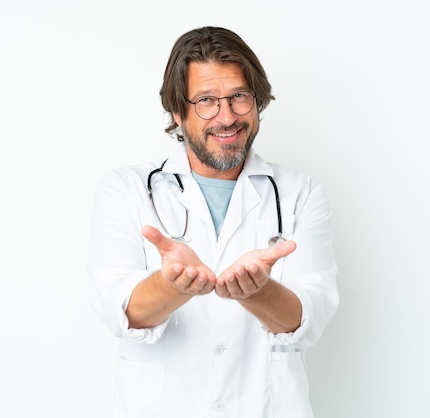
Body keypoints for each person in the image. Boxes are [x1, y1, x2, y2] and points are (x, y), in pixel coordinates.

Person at [87, 26, 339, 418]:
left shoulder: (299, 193)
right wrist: (171, 284)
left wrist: (256, 291)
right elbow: (122, 310)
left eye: (239, 96)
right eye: (206, 100)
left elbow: (308, 317)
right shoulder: (127, 189)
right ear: (177, 110)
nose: (227, 117)